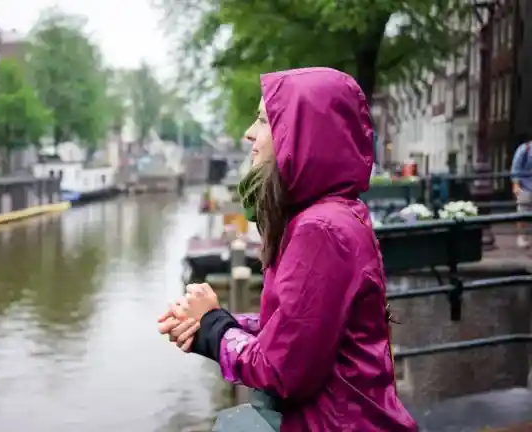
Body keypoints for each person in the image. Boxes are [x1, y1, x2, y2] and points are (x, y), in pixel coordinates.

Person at [158, 68, 417, 431]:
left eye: (264, 120)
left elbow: (280, 370)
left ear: (301, 136)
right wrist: (212, 322)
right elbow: (299, 331)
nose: (249, 132)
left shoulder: (320, 230)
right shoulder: (335, 215)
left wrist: (214, 328)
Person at [511, 136, 532, 248]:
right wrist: (516, 185)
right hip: (525, 186)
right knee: (522, 212)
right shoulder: (525, 149)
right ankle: (521, 236)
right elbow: (516, 167)